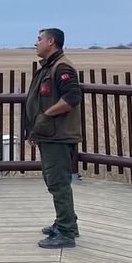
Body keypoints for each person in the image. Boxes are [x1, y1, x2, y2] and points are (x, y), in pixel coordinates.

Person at [26, 28, 81, 249]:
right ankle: (66, 223)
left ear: (51, 41)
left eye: (39, 39)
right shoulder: (49, 67)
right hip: (49, 133)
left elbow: (72, 97)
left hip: (58, 134)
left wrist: (46, 116)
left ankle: (66, 233)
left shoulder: (62, 67)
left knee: (58, 183)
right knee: (53, 181)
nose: (35, 43)